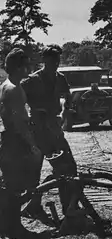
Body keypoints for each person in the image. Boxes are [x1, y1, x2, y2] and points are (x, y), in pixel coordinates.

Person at [20, 44, 78, 223]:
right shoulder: (33, 80)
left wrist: (66, 110)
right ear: (44, 60)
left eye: (58, 61)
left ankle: (69, 207)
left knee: (69, 167)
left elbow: (68, 95)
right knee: (34, 172)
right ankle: (33, 205)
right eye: (52, 60)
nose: (55, 64)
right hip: (37, 131)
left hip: (54, 129)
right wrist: (28, 116)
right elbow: (17, 96)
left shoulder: (60, 78)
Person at [0, 48, 46, 239]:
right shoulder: (15, 89)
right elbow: (19, 122)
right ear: (19, 67)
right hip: (16, 140)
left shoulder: (4, 85)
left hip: (7, 138)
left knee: (10, 185)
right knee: (16, 186)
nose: (30, 68)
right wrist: (33, 146)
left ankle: (9, 225)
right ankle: (14, 227)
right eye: (27, 64)